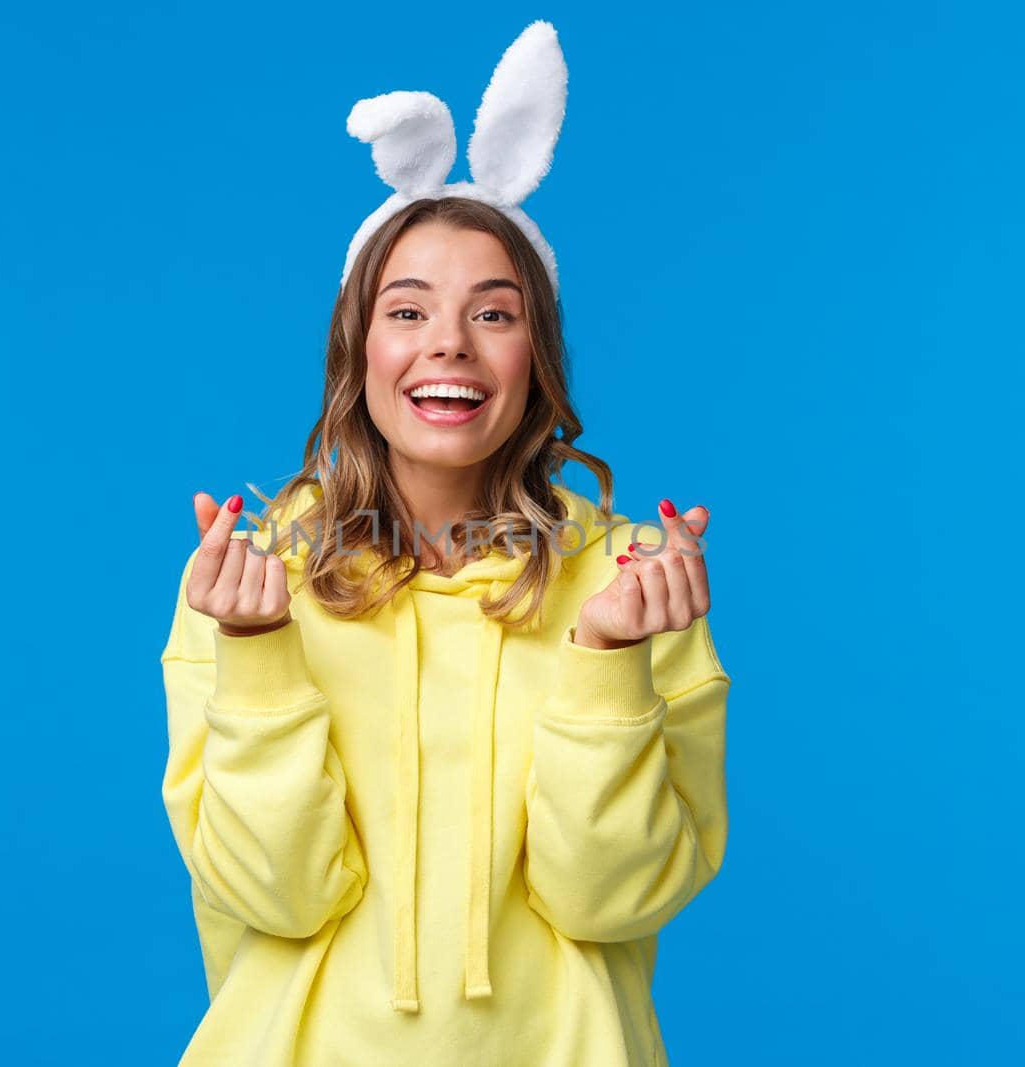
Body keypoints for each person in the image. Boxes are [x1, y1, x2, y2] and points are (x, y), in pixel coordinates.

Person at [158, 22, 729, 1066]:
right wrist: (255, 653)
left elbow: (614, 899)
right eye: (407, 307)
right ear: (358, 347)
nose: (448, 344)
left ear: (536, 354)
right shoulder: (251, 579)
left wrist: (609, 664)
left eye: (494, 312)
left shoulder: (633, 583)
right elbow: (272, 897)